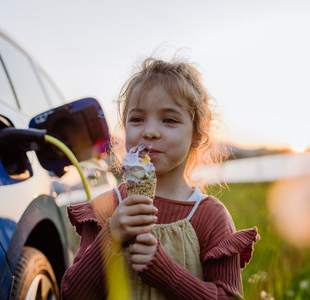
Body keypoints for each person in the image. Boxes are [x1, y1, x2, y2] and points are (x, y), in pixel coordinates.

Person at [61, 57, 260, 299]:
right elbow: (72, 294)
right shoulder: (107, 207)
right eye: (137, 119)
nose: (150, 131)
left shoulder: (209, 217)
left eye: (169, 120)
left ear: (197, 135)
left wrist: (168, 274)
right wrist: (110, 236)